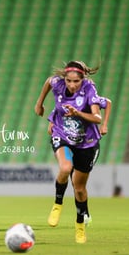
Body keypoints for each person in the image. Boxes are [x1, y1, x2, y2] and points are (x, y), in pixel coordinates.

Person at [34, 60, 104, 244]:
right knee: (65, 168)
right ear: (64, 78)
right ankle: (58, 204)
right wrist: (39, 103)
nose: (72, 85)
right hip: (62, 135)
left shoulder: (89, 89)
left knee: (79, 188)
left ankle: (80, 224)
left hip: (86, 143)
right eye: (68, 81)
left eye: (76, 81)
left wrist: (78, 114)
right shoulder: (57, 82)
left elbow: (97, 117)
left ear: (83, 79)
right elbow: (49, 81)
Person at [46, 95, 112, 225]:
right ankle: (70, 208)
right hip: (70, 145)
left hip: (88, 145)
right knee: (68, 171)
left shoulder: (91, 101)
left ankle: (84, 212)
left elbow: (108, 102)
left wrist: (104, 125)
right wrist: (63, 131)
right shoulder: (61, 103)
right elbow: (50, 128)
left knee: (78, 185)